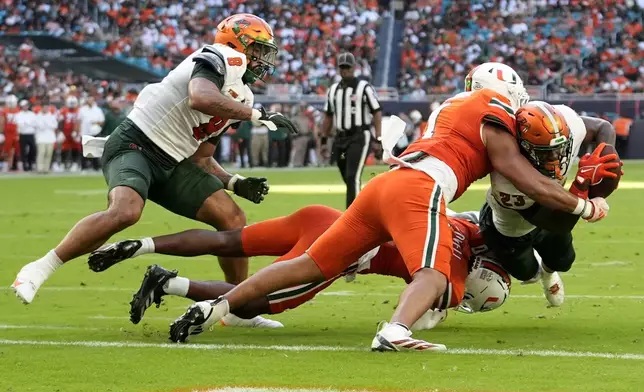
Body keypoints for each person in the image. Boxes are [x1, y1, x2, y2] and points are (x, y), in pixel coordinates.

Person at [158, 62, 615, 352]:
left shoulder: (456, 107)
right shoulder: (491, 110)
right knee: (431, 274)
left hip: (386, 185)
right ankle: (395, 330)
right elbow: (525, 178)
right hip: (418, 188)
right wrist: (585, 207)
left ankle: (217, 307)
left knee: (310, 264)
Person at [11, 13, 299, 323]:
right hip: (136, 144)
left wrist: (233, 182)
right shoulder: (221, 57)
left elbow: (201, 158)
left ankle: (236, 306)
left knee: (232, 218)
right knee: (126, 211)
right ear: (238, 44)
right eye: (258, 49)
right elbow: (201, 97)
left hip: (172, 161)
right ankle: (40, 267)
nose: (262, 59)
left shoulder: (243, 94)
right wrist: (256, 115)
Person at [88, 205, 510, 342]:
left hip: (327, 216)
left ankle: (145, 247)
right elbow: (424, 311)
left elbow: (479, 224)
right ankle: (174, 285)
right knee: (256, 298)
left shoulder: (461, 226)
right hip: (340, 248)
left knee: (230, 240)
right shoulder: (450, 283)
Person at [480, 101, 618, 306]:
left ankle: (548, 273)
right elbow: (557, 223)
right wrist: (581, 185)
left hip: (556, 207)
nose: (555, 156)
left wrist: (602, 166)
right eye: (545, 151)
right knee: (526, 274)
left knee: (563, 262)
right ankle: (476, 220)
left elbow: (603, 128)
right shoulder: (508, 181)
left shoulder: (569, 124)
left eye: (559, 148)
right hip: (513, 230)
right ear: (524, 147)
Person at [322, 52, 382, 208]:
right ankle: (363, 206)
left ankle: (352, 217)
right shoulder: (333, 90)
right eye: (342, 67)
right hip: (341, 138)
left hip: (360, 135)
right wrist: (323, 140)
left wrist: (379, 138)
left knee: (352, 176)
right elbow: (328, 115)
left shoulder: (364, 87)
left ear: (354, 68)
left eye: (347, 67)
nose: (344, 71)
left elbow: (376, 111)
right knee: (347, 176)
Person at [79, 96, 105, 171]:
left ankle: (96, 167)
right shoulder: (82, 110)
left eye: (91, 100)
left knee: (95, 150)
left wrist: (95, 122)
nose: (90, 102)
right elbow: (79, 121)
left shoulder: (98, 110)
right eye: (89, 100)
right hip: (84, 133)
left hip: (95, 132)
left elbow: (102, 122)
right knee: (83, 150)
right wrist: (77, 131)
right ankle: (83, 167)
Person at [58, 96, 82, 172]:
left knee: (76, 148)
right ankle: (62, 164)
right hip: (66, 133)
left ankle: (75, 164)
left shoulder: (79, 110)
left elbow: (80, 122)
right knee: (64, 149)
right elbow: (60, 122)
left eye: (73, 103)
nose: (72, 105)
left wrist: (78, 132)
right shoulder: (63, 110)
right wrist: (61, 132)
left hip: (75, 132)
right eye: (71, 103)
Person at [35, 104, 58, 173]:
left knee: (48, 153)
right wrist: (44, 125)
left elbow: (55, 125)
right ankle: (39, 168)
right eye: (44, 108)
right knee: (41, 153)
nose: (45, 109)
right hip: (40, 138)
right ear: (42, 108)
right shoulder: (38, 116)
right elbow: (37, 125)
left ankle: (46, 168)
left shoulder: (51, 116)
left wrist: (48, 125)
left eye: (47, 108)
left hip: (50, 138)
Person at [15, 100, 37, 172]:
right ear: (22, 107)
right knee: (23, 150)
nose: (25, 107)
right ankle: (25, 165)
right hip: (23, 134)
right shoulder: (18, 114)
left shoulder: (32, 114)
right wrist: (26, 124)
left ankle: (30, 163)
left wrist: (26, 124)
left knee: (33, 149)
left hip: (30, 133)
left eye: (27, 105)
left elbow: (34, 123)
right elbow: (19, 124)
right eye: (24, 106)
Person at [1, 95, 20, 172]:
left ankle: (15, 165)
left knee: (16, 150)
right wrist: (1, 132)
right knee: (6, 150)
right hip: (7, 132)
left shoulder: (18, 110)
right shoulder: (5, 111)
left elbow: (20, 122)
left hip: (16, 132)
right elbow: (2, 122)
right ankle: (5, 165)